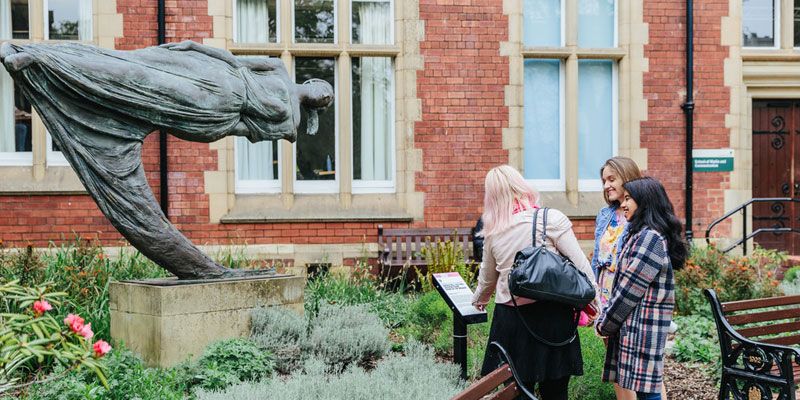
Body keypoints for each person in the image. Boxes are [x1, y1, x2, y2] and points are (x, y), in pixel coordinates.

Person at [0, 40, 333, 279]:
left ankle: (43, 65)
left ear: (318, 107)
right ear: (312, 80)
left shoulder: (292, 125)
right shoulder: (278, 68)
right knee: (139, 69)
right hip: (220, 77)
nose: (324, 94)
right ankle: (40, 58)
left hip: (216, 111)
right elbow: (235, 62)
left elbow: (246, 127)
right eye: (324, 87)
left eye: (327, 98)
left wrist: (211, 126)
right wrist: (194, 48)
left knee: (140, 84)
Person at [472, 165, 596, 400]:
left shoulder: (494, 231)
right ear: (521, 186)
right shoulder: (551, 219)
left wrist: (479, 300)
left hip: (511, 321)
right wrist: (596, 304)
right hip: (552, 316)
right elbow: (581, 265)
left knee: (517, 390)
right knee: (556, 391)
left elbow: (487, 279)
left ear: (492, 197)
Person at [596, 177, 687, 400]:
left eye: (628, 198)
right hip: (638, 330)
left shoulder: (649, 238)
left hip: (642, 331)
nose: (623, 204)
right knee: (646, 391)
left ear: (645, 202)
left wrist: (604, 325)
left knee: (648, 394)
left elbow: (628, 291)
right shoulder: (642, 235)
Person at [591, 157, 642, 400]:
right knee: (615, 366)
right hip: (605, 296)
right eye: (604, 181)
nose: (606, 186)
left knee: (640, 369)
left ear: (628, 178)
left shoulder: (641, 214)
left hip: (628, 297)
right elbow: (596, 260)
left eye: (612, 179)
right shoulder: (604, 215)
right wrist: (592, 295)